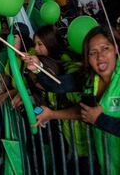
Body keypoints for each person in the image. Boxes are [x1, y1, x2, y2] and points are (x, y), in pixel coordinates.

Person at [28, 26, 120, 173]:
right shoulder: (90, 80)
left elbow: (94, 116)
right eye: (93, 52)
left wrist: (100, 119)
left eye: (105, 48)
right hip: (106, 164)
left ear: (116, 48)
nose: (100, 56)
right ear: (87, 58)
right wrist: (38, 67)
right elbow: (58, 86)